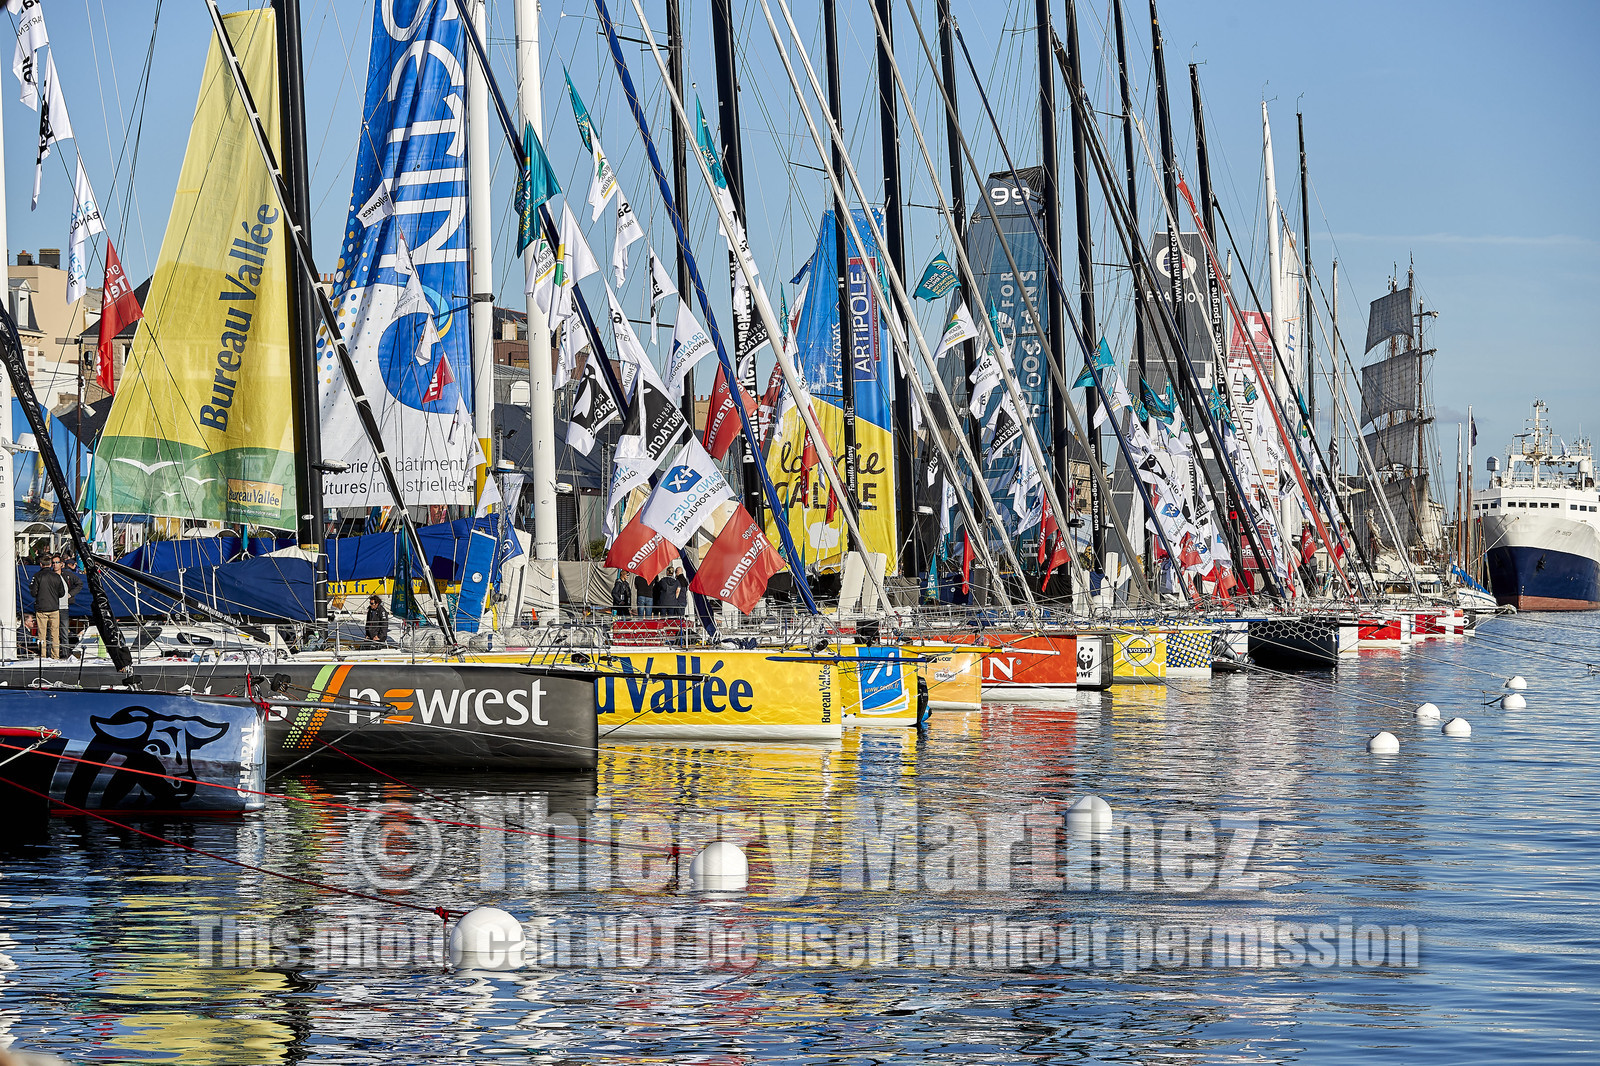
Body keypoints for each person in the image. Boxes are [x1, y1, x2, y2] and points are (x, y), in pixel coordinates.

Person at [30, 554, 82, 660]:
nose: (55, 564)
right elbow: (61, 592)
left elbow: (33, 592)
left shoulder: (38, 576)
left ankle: (45, 655)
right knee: (54, 634)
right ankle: (55, 655)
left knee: (44, 634)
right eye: (53, 563)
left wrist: (70, 594)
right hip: (55, 608)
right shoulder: (56, 577)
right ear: (50, 564)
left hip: (45, 608)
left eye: (57, 562)